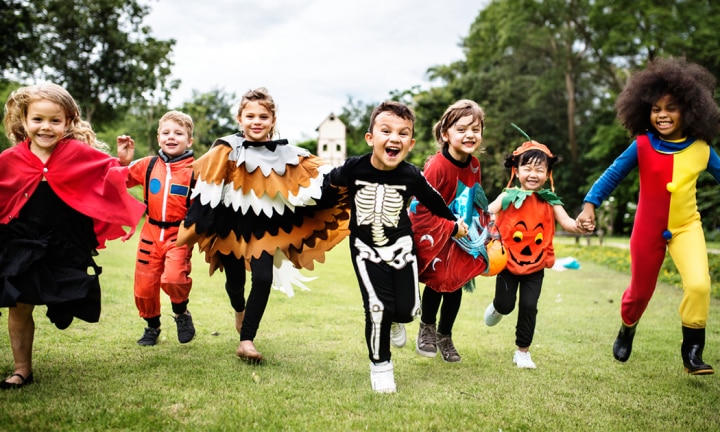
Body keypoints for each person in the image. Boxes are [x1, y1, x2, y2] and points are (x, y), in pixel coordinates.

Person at [178, 87, 349, 363]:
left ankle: (246, 340)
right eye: (250, 116)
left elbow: (322, 175)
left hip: (265, 228)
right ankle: (239, 309)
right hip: (229, 226)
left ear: (272, 120)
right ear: (239, 118)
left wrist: (355, 172)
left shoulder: (288, 154)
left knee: (263, 278)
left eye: (263, 116)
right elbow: (198, 180)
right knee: (235, 282)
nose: (256, 121)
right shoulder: (225, 149)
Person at [576, 57, 720, 375]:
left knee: (699, 285)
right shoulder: (641, 145)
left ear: (690, 110)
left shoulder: (702, 149)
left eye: (671, 108)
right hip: (647, 230)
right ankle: (628, 328)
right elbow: (612, 175)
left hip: (687, 227)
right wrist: (590, 205)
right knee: (640, 293)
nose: (662, 115)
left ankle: (692, 351)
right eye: (656, 109)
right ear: (646, 112)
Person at [0, 83, 145, 388]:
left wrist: (121, 162)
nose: (45, 127)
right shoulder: (10, 159)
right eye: (38, 119)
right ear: (24, 120)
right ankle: (21, 369)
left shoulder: (77, 153)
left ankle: (61, 306)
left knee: (65, 304)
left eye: (55, 121)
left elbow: (108, 178)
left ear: (68, 123)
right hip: (22, 241)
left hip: (65, 242)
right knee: (20, 303)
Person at [324, 101, 469, 393]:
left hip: (402, 247)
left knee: (406, 310)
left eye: (403, 134)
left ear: (411, 143)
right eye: (386, 131)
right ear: (371, 137)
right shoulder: (354, 167)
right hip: (364, 249)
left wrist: (455, 223)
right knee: (378, 307)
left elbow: (434, 201)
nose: (394, 138)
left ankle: (395, 320)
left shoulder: (411, 175)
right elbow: (327, 186)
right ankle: (380, 366)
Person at [485, 137, 585, 369]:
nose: (533, 174)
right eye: (527, 168)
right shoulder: (507, 196)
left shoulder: (550, 201)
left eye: (539, 169)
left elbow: (568, 223)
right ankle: (498, 307)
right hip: (507, 262)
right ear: (516, 170)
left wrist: (582, 224)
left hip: (536, 264)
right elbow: (487, 211)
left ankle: (523, 352)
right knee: (506, 304)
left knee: (529, 306)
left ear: (548, 173)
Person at [408, 99, 492, 363]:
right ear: (445, 134)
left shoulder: (475, 164)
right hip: (438, 234)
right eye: (462, 129)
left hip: (462, 236)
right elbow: (421, 206)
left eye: (475, 129)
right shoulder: (437, 166)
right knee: (437, 283)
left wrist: (483, 227)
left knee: (455, 286)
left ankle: (445, 335)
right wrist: (449, 227)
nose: (470, 135)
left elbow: (474, 197)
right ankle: (427, 328)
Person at [119, 110, 196, 346]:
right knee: (144, 286)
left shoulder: (196, 170)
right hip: (150, 232)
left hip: (179, 234)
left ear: (189, 140)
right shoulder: (148, 165)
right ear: (158, 137)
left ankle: (181, 313)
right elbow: (119, 179)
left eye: (178, 133)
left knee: (174, 278)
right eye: (166, 132)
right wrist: (122, 161)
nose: (171, 137)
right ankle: (152, 327)